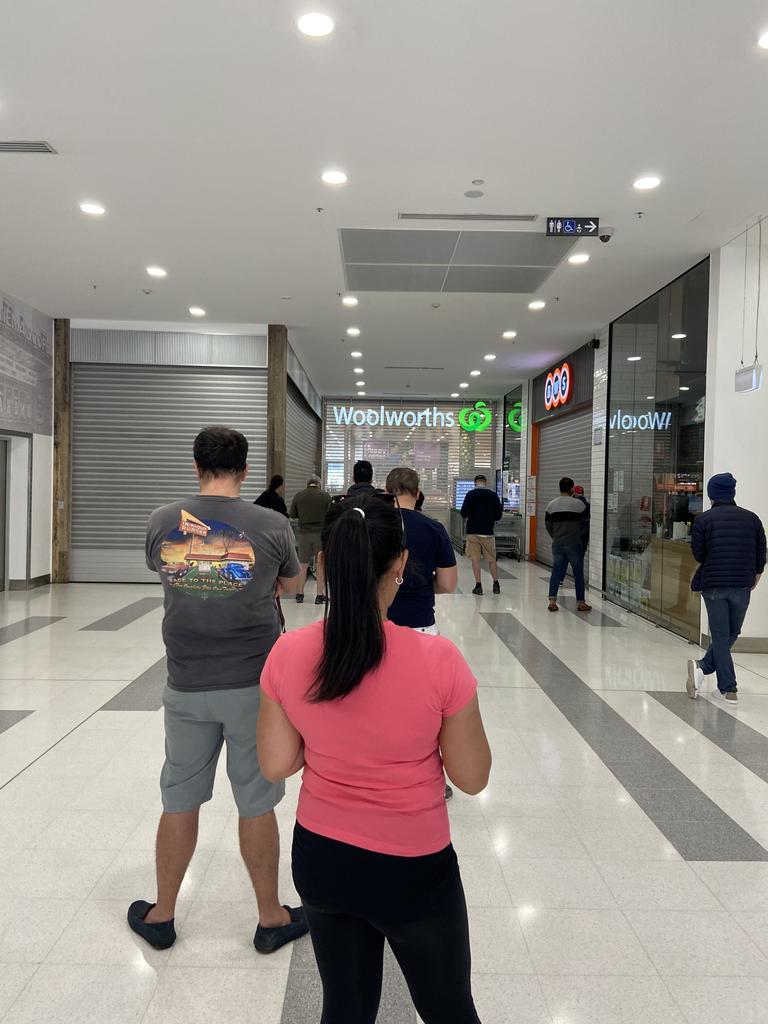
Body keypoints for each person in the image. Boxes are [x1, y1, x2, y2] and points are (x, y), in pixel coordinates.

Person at [257, 497, 491, 1024]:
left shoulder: (288, 654)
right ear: (403, 565)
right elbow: (472, 778)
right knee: (450, 1008)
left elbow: (276, 764)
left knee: (345, 1007)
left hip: (323, 858)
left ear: (322, 565)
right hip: (414, 868)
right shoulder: (439, 662)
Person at [129, 426, 307, 954]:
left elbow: (163, 570)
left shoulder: (163, 521)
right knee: (256, 802)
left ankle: (162, 915)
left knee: (179, 798)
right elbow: (293, 584)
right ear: (246, 470)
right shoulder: (272, 523)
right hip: (256, 686)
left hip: (185, 684)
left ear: (195, 465)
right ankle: (271, 918)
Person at [687, 472, 766, 704]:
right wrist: (756, 577)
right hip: (743, 584)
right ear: (732, 493)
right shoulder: (752, 519)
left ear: (711, 494)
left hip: (714, 585)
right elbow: (761, 554)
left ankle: (706, 670)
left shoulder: (703, 521)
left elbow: (699, 554)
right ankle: (726, 686)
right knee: (730, 633)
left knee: (723, 635)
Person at [385, 467, 457, 635]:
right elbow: (448, 584)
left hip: (377, 625)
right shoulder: (435, 529)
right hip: (420, 624)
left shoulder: (372, 525)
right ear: (417, 494)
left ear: (387, 492)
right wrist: (422, 580)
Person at [545, 476, 592, 613]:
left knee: (556, 571)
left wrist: (556, 536)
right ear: (572, 489)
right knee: (578, 573)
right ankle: (581, 602)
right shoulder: (579, 505)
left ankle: (552, 601)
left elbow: (548, 525)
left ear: (560, 488)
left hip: (558, 543)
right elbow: (585, 522)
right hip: (574, 543)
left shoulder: (551, 505)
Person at [290, 476, 332, 605]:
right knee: (320, 564)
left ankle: (300, 594)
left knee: (303, 564)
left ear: (307, 484)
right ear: (318, 484)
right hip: (320, 534)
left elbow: (292, 514)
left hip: (304, 534)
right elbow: (331, 514)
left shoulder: (299, 496)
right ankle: (319, 595)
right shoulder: (325, 496)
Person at [460, 474, 503, 596]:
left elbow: (464, 513)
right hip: (488, 532)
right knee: (491, 559)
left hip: (472, 532)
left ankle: (478, 586)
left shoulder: (470, 494)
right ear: (485, 482)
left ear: (475, 483)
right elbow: (498, 516)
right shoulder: (493, 495)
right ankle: (496, 584)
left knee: (475, 559)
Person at [573, 485, 590, 552]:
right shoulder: (589, 506)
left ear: (575, 494)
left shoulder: (574, 506)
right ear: (583, 493)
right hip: (584, 537)